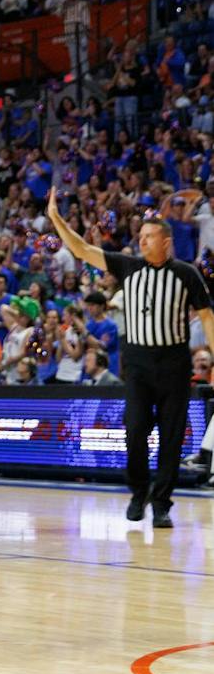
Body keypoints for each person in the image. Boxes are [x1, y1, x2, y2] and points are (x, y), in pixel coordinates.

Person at [47, 191, 212, 528]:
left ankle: (162, 503)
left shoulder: (186, 274)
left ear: (165, 241)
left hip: (174, 362)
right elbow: (81, 249)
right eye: (140, 236)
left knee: (172, 435)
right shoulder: (127, 266)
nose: (142, 240)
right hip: (136, 362)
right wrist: (56, 219)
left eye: (149, 236)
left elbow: (207, 317)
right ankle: (138, 491)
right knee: (135, 429)